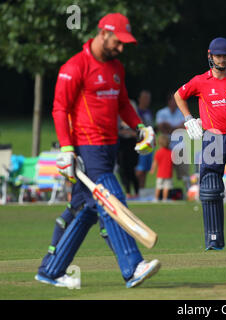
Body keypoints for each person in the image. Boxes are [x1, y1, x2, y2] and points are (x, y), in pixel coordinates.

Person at [35, 13, 160, 289]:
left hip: (109, 146)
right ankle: (133, 266)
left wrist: (141, 126)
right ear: (103, 33)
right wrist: (67, 148)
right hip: (85, 147)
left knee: (88, 209)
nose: (121, 48)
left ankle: (51, 270)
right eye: (118, 41)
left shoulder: (116, 67)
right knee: (110, 199)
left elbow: (123, 104)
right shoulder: (75, 66)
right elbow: (59, 109)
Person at [174, 37, 226, 251]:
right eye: (218, 56)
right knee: (210, 190)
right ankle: (214, 240)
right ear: (210, 57)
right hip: (212, 139)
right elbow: (179, 95)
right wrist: (188, 118)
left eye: (225, 56)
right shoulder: (200, 81)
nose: (222, 59)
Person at [156, 92, 191, 191]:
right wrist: (176, 127)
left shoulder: (182, 112)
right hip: (166, 146)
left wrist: (170, 127)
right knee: (165, 171)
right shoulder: (161, 113)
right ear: (168, 101)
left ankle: (188, 190)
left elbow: (184, 127)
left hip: (180, 146)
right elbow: (161, 128)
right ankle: (163, 192)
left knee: (184, 170)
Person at [135, 90, 154, 191]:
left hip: (149, 143)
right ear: (139, 99)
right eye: (145, 98)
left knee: (146, 169)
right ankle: (137, 189)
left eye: (148, 98)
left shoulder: (149, 112)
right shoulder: (137, 111)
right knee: (140, 169)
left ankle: (142, 190)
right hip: (141, 143)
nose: (147, 101)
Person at [117, 117, 140, 198]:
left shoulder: (134, 122)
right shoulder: (118, 122)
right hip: (121, 148)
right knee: (122, 170)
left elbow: (138, 133)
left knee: (131, 170)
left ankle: (136, 191)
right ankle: (127, 191)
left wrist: (128, 133)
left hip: (132, 148)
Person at [150, 134, 173, 202]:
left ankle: (156, 198)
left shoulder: (158, 152)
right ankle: (165, 199)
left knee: (158, 187)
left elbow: (155, 162)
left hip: (160, 174)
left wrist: (152, 170)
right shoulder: (171, 152)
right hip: (168, 173)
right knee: (166, 187)